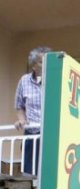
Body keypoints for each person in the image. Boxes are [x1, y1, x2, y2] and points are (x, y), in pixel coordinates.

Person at [14, 46, 52, 174]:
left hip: (50, 133)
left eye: (48, 60)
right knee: (29, 172)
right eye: (42, 61)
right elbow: (19, 105)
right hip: (31, 133)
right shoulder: (24, 81)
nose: (46, 64)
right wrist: (21, 120)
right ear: (34, 66)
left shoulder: (56, 80)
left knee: (48, 172)